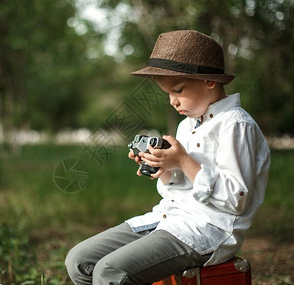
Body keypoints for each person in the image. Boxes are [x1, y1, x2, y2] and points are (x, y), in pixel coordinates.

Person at [65, 30, 271, 285]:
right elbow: (180, 186)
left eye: (178, 90)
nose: (173, 101)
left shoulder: (236, 125)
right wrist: (163, 167)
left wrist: (184, 160)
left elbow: (235, 200)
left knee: (110, 271)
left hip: (207, 231)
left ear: (209, 81)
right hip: (169, 218)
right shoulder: (188, 125)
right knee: (79, 260)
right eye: (168, 94)